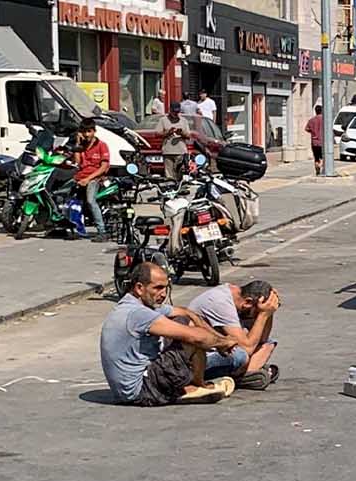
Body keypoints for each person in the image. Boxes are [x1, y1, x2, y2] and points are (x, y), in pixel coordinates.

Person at [101, 262, 239, 405]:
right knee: (193, 337)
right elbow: (196, 338)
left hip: (130, 388)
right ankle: (195, 387)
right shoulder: (138, 313)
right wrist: (223, 343)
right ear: (139, 288)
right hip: (141, 390)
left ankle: (196, 384)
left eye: (166, 288)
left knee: (183, 321)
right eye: (158, 288)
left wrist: (220, 338)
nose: (164, 294)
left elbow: (186, 313)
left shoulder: (135, 304)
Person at [189, 280, 280, 390]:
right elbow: (247, 348)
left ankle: (245, 375)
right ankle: (245, 374)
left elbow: (262, 339)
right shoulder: (220, 301)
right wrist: (263, 314)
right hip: (199, 359)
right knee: (241, 355)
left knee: (268, 344)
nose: (254, 318)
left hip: (223, 348)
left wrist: (270, 312)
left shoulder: (240, 300)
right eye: (256, 313)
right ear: (247, 302)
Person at [69, 119, 110, 238]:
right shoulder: (81, 145)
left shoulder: (102, 145)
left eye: (89, 131)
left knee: (91, 201)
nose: (87, 134)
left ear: (94, 131)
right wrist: (77, 143)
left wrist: (88, 179)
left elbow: (103, 168)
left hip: (95, 178)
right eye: (84, 132)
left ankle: (102, 231)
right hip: (79, 177)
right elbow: (77, 162)